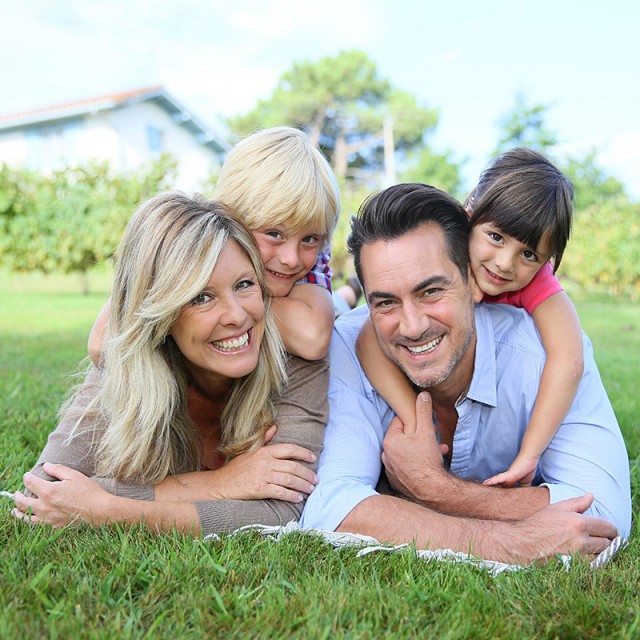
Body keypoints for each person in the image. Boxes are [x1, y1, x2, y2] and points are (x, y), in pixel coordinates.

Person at [301, 183, 631, 564]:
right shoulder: (348, 345)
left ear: (473, 281)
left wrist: (435, 488)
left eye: (431, 292)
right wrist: (508, 542)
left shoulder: (545, 357)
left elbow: (605, 514)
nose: (412, 326)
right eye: (386, 302)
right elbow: (331, 508)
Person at [12, 193, 328, 534]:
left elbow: (283, 511)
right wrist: (219, 483)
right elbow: (43, 490)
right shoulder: (125, 364)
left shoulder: (295, 362)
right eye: (201, 298)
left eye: (245, 284)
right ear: (160, 314)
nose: (238, 316)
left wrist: (106, 508)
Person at [356, 148, 582, 486]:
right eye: (495, 237)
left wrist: (530, 453)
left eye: (529, 253)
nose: (505, 263)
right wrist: (417, 423)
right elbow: (366, 340)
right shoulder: (446, 248)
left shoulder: (539, 283)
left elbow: (569, 359)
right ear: (470, 215)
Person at [87, 126, 347, 365]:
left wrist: (198, 303)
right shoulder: (193, 243)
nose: (291, 258)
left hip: (320, 304)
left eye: (310, 239)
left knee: (339, 311)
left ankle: (346, 293)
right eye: (273, 234)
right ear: (233, 218)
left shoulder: (310, 254)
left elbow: (313, 338)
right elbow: (102, 345)